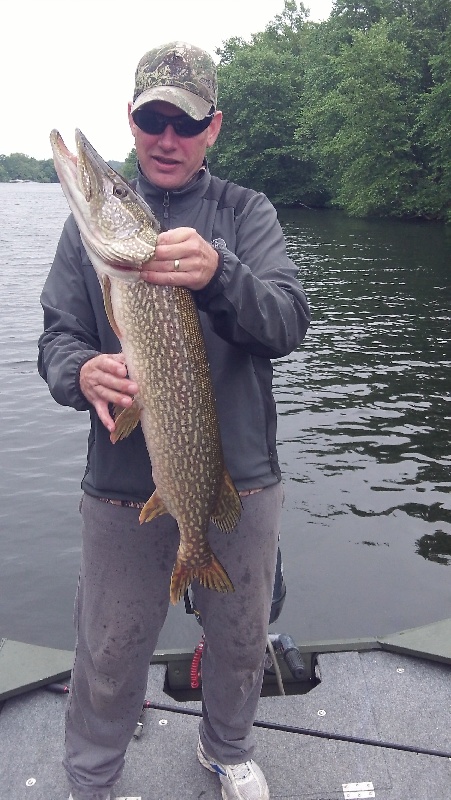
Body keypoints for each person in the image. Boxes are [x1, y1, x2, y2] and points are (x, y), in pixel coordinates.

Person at [38, 41, 310, 800]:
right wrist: (79, 370)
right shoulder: (92, 236)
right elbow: (57, 338)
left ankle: (225, 749)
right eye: (152, 118)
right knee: (110, 648)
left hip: (243, 480)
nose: (166, 137)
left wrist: (222, 273)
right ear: (132, 120)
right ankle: (92, 781)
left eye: (184, 123)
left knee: (237, 639)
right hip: (123, 484)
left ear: (212, 129)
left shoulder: (244, 213)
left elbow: (288, 322)